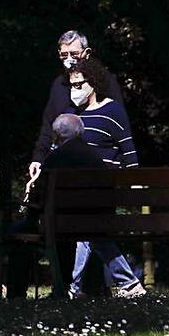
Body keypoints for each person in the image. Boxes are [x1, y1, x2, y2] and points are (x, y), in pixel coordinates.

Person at [64, 58, 146, 298]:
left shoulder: (112, 111)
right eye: (72, 85)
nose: (75, 90)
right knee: (88, 233)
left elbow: (128, 149)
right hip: (78, 193)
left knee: (87, 231)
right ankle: (121, 285)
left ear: (94, 84)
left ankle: (125, 284)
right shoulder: (72, 114)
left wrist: (132, 183)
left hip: (103, 191)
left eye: (79, 85)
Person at [5, 114, 105, 300]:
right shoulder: (95, 158)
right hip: (95, 223)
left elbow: (39, 198)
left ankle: (16, 294)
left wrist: (31, 216)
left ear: (57, 135)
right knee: (65, 235)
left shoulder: (55, 158)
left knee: (18, 234)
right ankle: (89, 288)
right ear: (80, 133)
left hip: (59, 225)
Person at [28, 30, 124, 184]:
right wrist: (38, 158)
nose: (69, 59)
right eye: (64, 55)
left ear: (86, 53)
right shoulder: (59, 85)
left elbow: (120, 127)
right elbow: (48, 126)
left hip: (100, 168)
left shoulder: (106, 82)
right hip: (64, 168)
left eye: (74, 54)